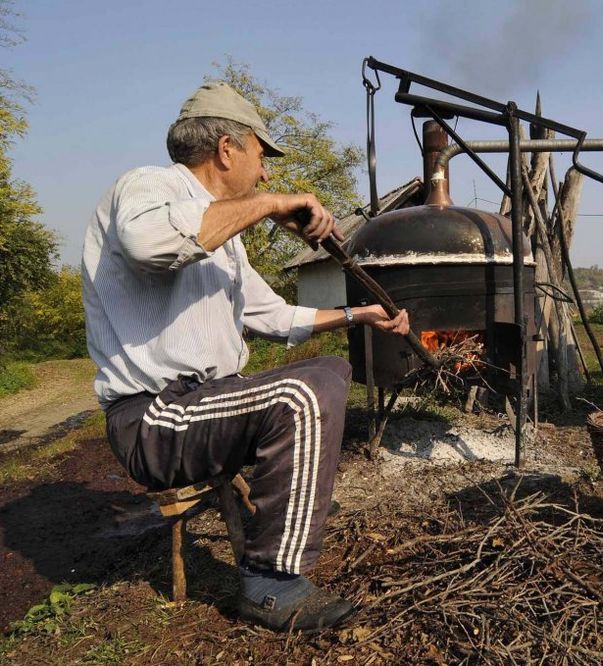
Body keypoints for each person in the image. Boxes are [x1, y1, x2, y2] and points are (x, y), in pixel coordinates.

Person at [81, 81, 409, 632]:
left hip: (203, 406)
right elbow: (147, 245)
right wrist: (270, 206)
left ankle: (273, 555)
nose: (265, 174)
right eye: (261, 156)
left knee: (331, 370)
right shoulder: (146, 186)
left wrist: (362, 317)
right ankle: (271, 584)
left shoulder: (223, 237)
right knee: (303, 395)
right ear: (226, 148)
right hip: (153, 418)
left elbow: (277, 317)